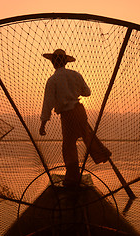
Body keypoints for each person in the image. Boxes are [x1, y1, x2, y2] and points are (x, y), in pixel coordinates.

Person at [39, 49, 111, 187]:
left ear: (54, 63)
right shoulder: (75, 75)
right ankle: (102, 154)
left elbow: (47, 103)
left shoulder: (53, 80)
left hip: (67, 114)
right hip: (80, 111)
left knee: (69, 145)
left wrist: (43, 124)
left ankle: (72, 177)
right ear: (65, 62)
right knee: (87, 135)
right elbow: (87, 93)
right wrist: (74, 91)